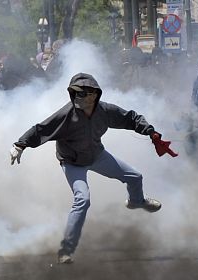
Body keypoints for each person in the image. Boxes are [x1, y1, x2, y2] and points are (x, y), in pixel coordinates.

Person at [10, 73, 177, 264]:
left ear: (94, 95)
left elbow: (130, 118)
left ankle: (136, 201)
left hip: (97, 156)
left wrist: (151, 132)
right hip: (72, 163)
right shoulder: (66, 115)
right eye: (76, 94)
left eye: (85, 94)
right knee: (83, 199)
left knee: (135, 176)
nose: (80, 98)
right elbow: (41, 129)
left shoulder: (104, 110)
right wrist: (20, 145)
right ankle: (66, 250)